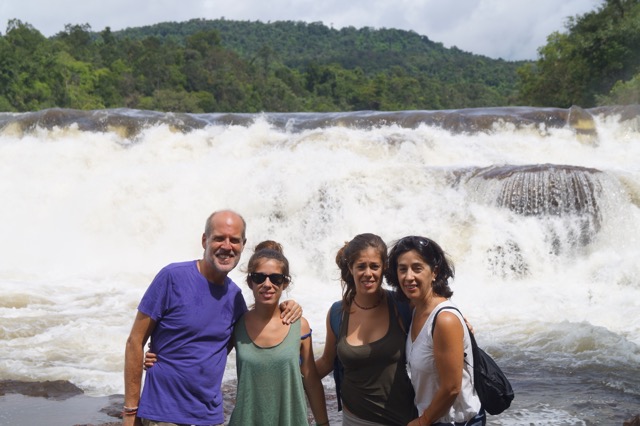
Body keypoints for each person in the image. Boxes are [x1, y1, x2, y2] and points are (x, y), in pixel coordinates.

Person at [123, 210, 301, 426]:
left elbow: (255, 332)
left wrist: (287, 306)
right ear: (204, 240)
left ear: (243, 245)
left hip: (209, 417)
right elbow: (135, 341)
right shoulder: (172, 277)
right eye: (219, 238)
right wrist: (131, 411)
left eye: (234, 240)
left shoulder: (235, 298)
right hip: (164, 414)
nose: (227, 246)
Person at [314, 233, 418, 426]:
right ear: (350, 268)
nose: (368, 273)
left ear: (385, 267)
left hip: (403, 419)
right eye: (361, 266)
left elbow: (435, 328)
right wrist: (286, 373)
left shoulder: (403, 305)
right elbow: (326, 363)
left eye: (374, 266)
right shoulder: (338, 313)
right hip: (354, 419)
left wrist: (455, 319)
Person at [227, 240, 329, 425]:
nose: (268, 284)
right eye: (260, 277)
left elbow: (311, 379)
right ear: (250, 281)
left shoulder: (300, 326)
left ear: (285, 283)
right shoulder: (236, 326)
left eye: (276, 279)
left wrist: (323, 423)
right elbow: (208, 359)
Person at [386, 236, 485, 426]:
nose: (408, 277)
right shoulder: (415, 309)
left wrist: (423, 421)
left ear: (434, 272)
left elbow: (451, 388)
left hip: (457, 422)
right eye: (402, 269)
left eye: (417, 268)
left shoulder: (444, 320)